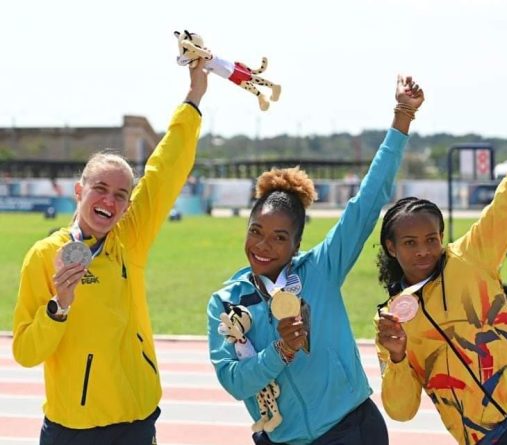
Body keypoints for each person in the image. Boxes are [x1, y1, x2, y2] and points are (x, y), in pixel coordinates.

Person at [207, 74, 424, 445]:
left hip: (352, 430)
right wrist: (281, 350)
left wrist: (403, 114)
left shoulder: (320, 269)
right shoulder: (227, 303)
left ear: (297, 244)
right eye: (256, 230)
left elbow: (368, 202)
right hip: (283, 440)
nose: (263, 245)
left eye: (279, 237)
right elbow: (234, 382)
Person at [374, 59, 507, 445]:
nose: (424, 251)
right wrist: (397, 355)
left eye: (432, 239)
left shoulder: (471, 256)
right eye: (410, 243)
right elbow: (401, 410)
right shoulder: (393, 320)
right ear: (391, 247)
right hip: (485, 438)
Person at [12, 62, 208, 444]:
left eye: (121, 195)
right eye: (100, 188)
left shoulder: (129, 238)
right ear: (79, 191)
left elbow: (166, 169)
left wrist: (194, 96)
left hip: (136, 419)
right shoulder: (44, 256)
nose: (110, 201)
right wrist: (59, 307)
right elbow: (24, 351)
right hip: (73, 429)